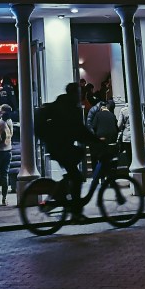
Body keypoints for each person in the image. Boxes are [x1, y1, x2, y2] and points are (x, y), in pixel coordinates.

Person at [43, 83, 97, 221]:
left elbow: (78, 131)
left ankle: (67, 191)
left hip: (59, 146)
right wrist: (96, 141)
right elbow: (79, 130)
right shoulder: (70, 108)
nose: (81, 95)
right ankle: (75, 212)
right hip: (60, 147)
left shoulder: (64, 104)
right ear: (75, 94)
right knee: (77, 177)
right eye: (79, 93)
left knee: (74, 168)